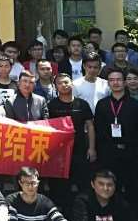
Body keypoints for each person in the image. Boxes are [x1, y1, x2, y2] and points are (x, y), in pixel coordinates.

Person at [94, 68, 138, 218]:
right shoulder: (102, 104)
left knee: (131, 188)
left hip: (130, 153)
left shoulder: (135, 105)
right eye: (112, 80)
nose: (115, 83)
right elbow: (98, 130)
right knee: (109, 189)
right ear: (108, 83)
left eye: (118, 80)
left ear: (124, 83)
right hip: (108, 153)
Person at [47, 73, 97, 215]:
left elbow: (90, 126)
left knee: (83, 184)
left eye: (66, 82)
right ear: (55, 87)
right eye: (60, 83)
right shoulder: (51, 105)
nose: (64, 85)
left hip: (80, 150)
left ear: (72, 84)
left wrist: (92, 148)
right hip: (59, 153)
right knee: (60, 187)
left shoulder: (82, 104)